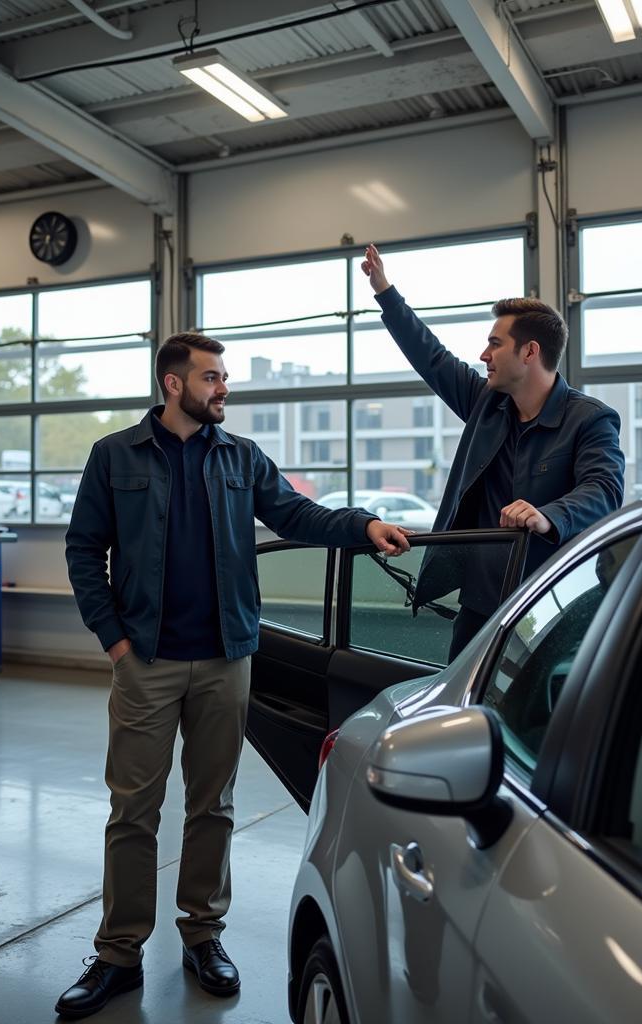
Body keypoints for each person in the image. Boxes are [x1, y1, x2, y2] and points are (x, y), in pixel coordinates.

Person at [58, 331, 410, 1019]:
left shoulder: (240, 458)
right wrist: (116, 644)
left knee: (212, 805)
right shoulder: (114, 457)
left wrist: (362, 526)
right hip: (148, 661)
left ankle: (204, 936)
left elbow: (295, 514)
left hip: (226, 657)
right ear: (173, 384)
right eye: (212, 377)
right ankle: (119, 952)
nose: (224, 389)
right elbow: (82, 550)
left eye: (223, 378)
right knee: (132, 809)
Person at [361, 243, 625, 658]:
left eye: (495, 344)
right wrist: (384, 291)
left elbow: (605, 491)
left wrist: (547, 515)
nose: (484, 355)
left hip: (549, 603)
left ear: (530, 351)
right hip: (481, 603)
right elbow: (431, 358)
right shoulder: (485, 402)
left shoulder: (590, 419)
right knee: (461, 708)